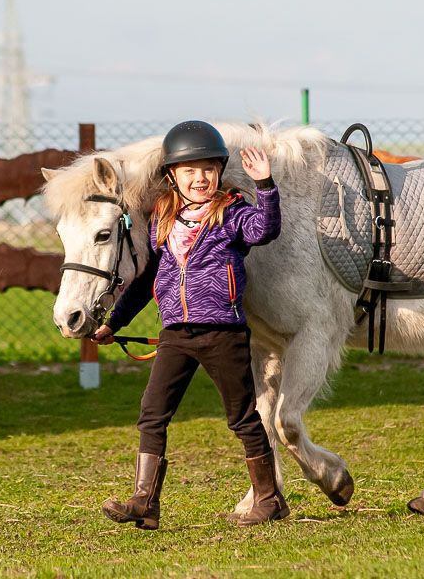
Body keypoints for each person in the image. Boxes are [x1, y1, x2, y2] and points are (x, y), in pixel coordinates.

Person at [91, 120, 288, 530]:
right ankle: (145, 501)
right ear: (172, 176)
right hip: (176, 335)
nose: (200, 178)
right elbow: (147, 281)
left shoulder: (232, 212)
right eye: (189, 171)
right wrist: (114, 323)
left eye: (208, 170)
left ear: (219, 173)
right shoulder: (163, 218)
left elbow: (265, 229)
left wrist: (265, 186)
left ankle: (269, 499)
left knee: (242, 419)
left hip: (223, 333)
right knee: (152, 414)